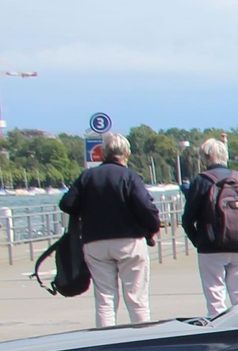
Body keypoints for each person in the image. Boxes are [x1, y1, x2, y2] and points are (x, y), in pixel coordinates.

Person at [59, 134, 161, 328]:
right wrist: (151, 228)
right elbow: (145, 208)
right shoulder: (129, 176)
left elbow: (67, 203)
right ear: (127, 154)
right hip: (129, 242)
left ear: (103, 153)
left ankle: (107, 342)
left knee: (105, 298)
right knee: (136, 296)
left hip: (95, 242)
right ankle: (142, 340)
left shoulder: (87, 177)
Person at [180, 137, 238, 317]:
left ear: (206, 157)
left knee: (215, 298)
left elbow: (188, 218)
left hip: (211, 248)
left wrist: (199, 241)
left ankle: (219, 334)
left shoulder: (202, 180)